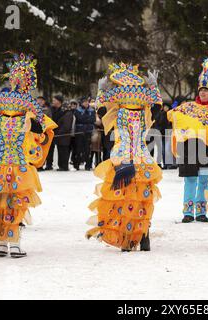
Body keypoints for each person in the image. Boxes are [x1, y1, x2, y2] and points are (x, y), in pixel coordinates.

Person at [0, 53, 57, 258]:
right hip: (19, 168)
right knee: (15, 204)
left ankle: (2, 244)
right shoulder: (28, 116)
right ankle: (13, 244)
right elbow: (42, 132)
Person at [86, 63, 163, 252]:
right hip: (130, 158)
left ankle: (139, 236)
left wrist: (154, 87)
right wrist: (101, 91)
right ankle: (133, 236)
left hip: (134, 158)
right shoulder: (124, 110)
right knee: (132, 199)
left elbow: (157, 107)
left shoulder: (137, 111)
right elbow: (101, 110)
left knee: (136, 199)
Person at [168, 52, 208, 223]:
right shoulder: (187, 107)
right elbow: (171, 116)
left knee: (204, 180)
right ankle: (188, 212)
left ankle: (201, 212)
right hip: (189, 147)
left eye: (206, 91)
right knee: (190, 179)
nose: (202, 93)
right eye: (201, 90)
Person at [46, 95, 73, 171]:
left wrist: (59, 132)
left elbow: (67, 124)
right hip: (55, 133)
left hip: (63, 134)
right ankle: (54, 165)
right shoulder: (52, 110)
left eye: (54, 100)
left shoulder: (66, 111)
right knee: (55, 149)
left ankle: (64, 166)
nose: (53, 102)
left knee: (63, 150)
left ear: (59, 101)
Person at [73, 97, 96, 170]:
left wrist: (85, 119)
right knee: (78, 148)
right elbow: (79, 119)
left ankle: (88, 165)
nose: (86, 103)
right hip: (79, 132)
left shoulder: (92, 110)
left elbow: (93, 119)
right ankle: (76, 164)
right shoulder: (77, 110)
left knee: (87, 149)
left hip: (88, 132)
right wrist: (86, 119)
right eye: (84, 102)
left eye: (87, 102)